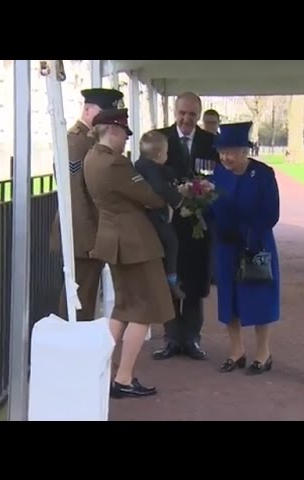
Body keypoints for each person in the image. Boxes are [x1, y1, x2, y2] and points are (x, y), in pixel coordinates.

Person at [83, 108, 175, 399]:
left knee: (122, 308)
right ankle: (123, 377)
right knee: (144, 310)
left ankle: (101, 371)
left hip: (114, 240)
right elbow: (150, 196)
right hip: (135, 243)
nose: (125, 140)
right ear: (112, 130)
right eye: (123, 133)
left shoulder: (91, 158)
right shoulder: (115, 164)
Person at [206, 122, 280, 375]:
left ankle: (263, 353)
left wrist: (248, 233)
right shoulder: (218, 173)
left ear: (245, 151)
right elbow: (211, 206)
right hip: (226, 245)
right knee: (229, 299)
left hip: (255, 244)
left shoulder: (263, 173)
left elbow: (271, 212)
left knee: (259, 297)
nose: (226, 157)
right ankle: (236, 352)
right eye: (222, 151)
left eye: (232, 152)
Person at [152, 91, 220, 361]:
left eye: (192, 114)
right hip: (168, 223)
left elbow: (218, 180)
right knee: (169, 280)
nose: (186, 119)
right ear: (175, 112)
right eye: (182, 113)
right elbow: (150, 176)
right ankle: (171, 338)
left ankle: (191, 338)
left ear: (198, 115)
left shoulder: (211, 142)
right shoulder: (160, 139)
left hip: (198, 225)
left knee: (195, 282)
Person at [49, 87, 125, 321]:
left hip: (90, 231)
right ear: (89, 110)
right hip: (82, 234)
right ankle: (72, 348)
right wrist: (90, 239)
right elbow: (75, 194)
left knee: (87, 294)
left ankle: (78, 345)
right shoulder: (76, 141)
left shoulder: (88, 139)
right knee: (79, 297)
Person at [134, 130, 186, 299]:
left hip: (145, 217)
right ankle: (171, 277)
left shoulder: (139, 164)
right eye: (166, 152)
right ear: (159, 154)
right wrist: (178, 200)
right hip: (155, 216)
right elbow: (160, 188)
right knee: (172, 242)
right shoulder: (153, 169)